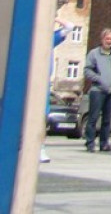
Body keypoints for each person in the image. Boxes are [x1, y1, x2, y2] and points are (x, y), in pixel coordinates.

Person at [83, 27, 111, 153]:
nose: (109, 41)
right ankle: (90, 143)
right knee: (93, 117)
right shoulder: (94, 54)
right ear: (102, 39)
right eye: (107, 39)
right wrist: (99, 79)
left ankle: (104, 143)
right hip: (98, 91)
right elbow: (87, 70)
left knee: (107, 119)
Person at [41, 18, 74, 163]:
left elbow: (69, 26)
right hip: (31, 84)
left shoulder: (50, 39)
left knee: (43, 120)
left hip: (43, 87)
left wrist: (53, 17)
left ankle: (40, 148)